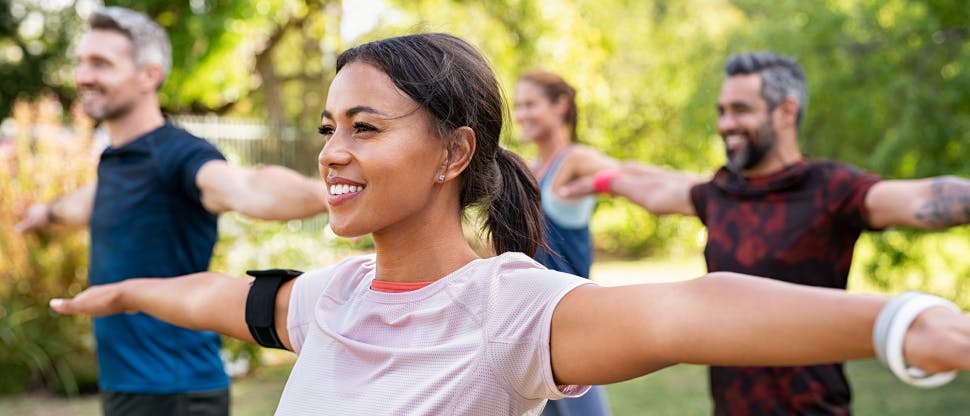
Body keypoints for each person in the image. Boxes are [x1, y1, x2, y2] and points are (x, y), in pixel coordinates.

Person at [48, 34, 970, 416]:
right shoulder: (329, 298)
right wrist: (130, 290)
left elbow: (694, 309)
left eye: (365, 128)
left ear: (454, 153)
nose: (332, 151)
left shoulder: (509, 309)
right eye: (330, 128)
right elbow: (222, 299)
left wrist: (896, 322)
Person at [560, 51, 970, 415]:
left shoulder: (831, 190)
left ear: (786, 111)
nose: (726, 124)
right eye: (722, 111)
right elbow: (655, 188)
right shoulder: (720, 192)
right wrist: (596, 182)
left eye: (741, 110)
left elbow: (923, 197)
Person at [16, 7, 329, 416]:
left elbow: (247, 187)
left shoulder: (179, 156)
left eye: (100, 63)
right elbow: (85, 203)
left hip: (176, 394)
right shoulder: (116, 160)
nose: (83, 76)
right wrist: (44, 213)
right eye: (81, 62)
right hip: (126, 387)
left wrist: (331, 193)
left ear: (149, 75)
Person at [514, 70, 616, 416]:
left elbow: (625, 174)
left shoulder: (575, 161)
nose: (521, 114)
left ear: (560, 105)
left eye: (530, 104)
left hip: (573, 326)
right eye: (518, 106)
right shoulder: (529, 169)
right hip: (529, 327)